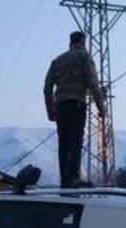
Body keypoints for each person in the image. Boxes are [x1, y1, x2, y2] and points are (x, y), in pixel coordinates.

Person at [44, 30, 107, 187]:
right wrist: (101, 107)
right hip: (77, 103)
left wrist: (50, 110)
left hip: (60, 105)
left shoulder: (57, 60)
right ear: (83, 42)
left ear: (70, 42)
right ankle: (74, 177)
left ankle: (65, 179)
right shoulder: (84, 57)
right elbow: (93, 83)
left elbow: (47, 88)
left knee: (63, 142)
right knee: (75, 140)